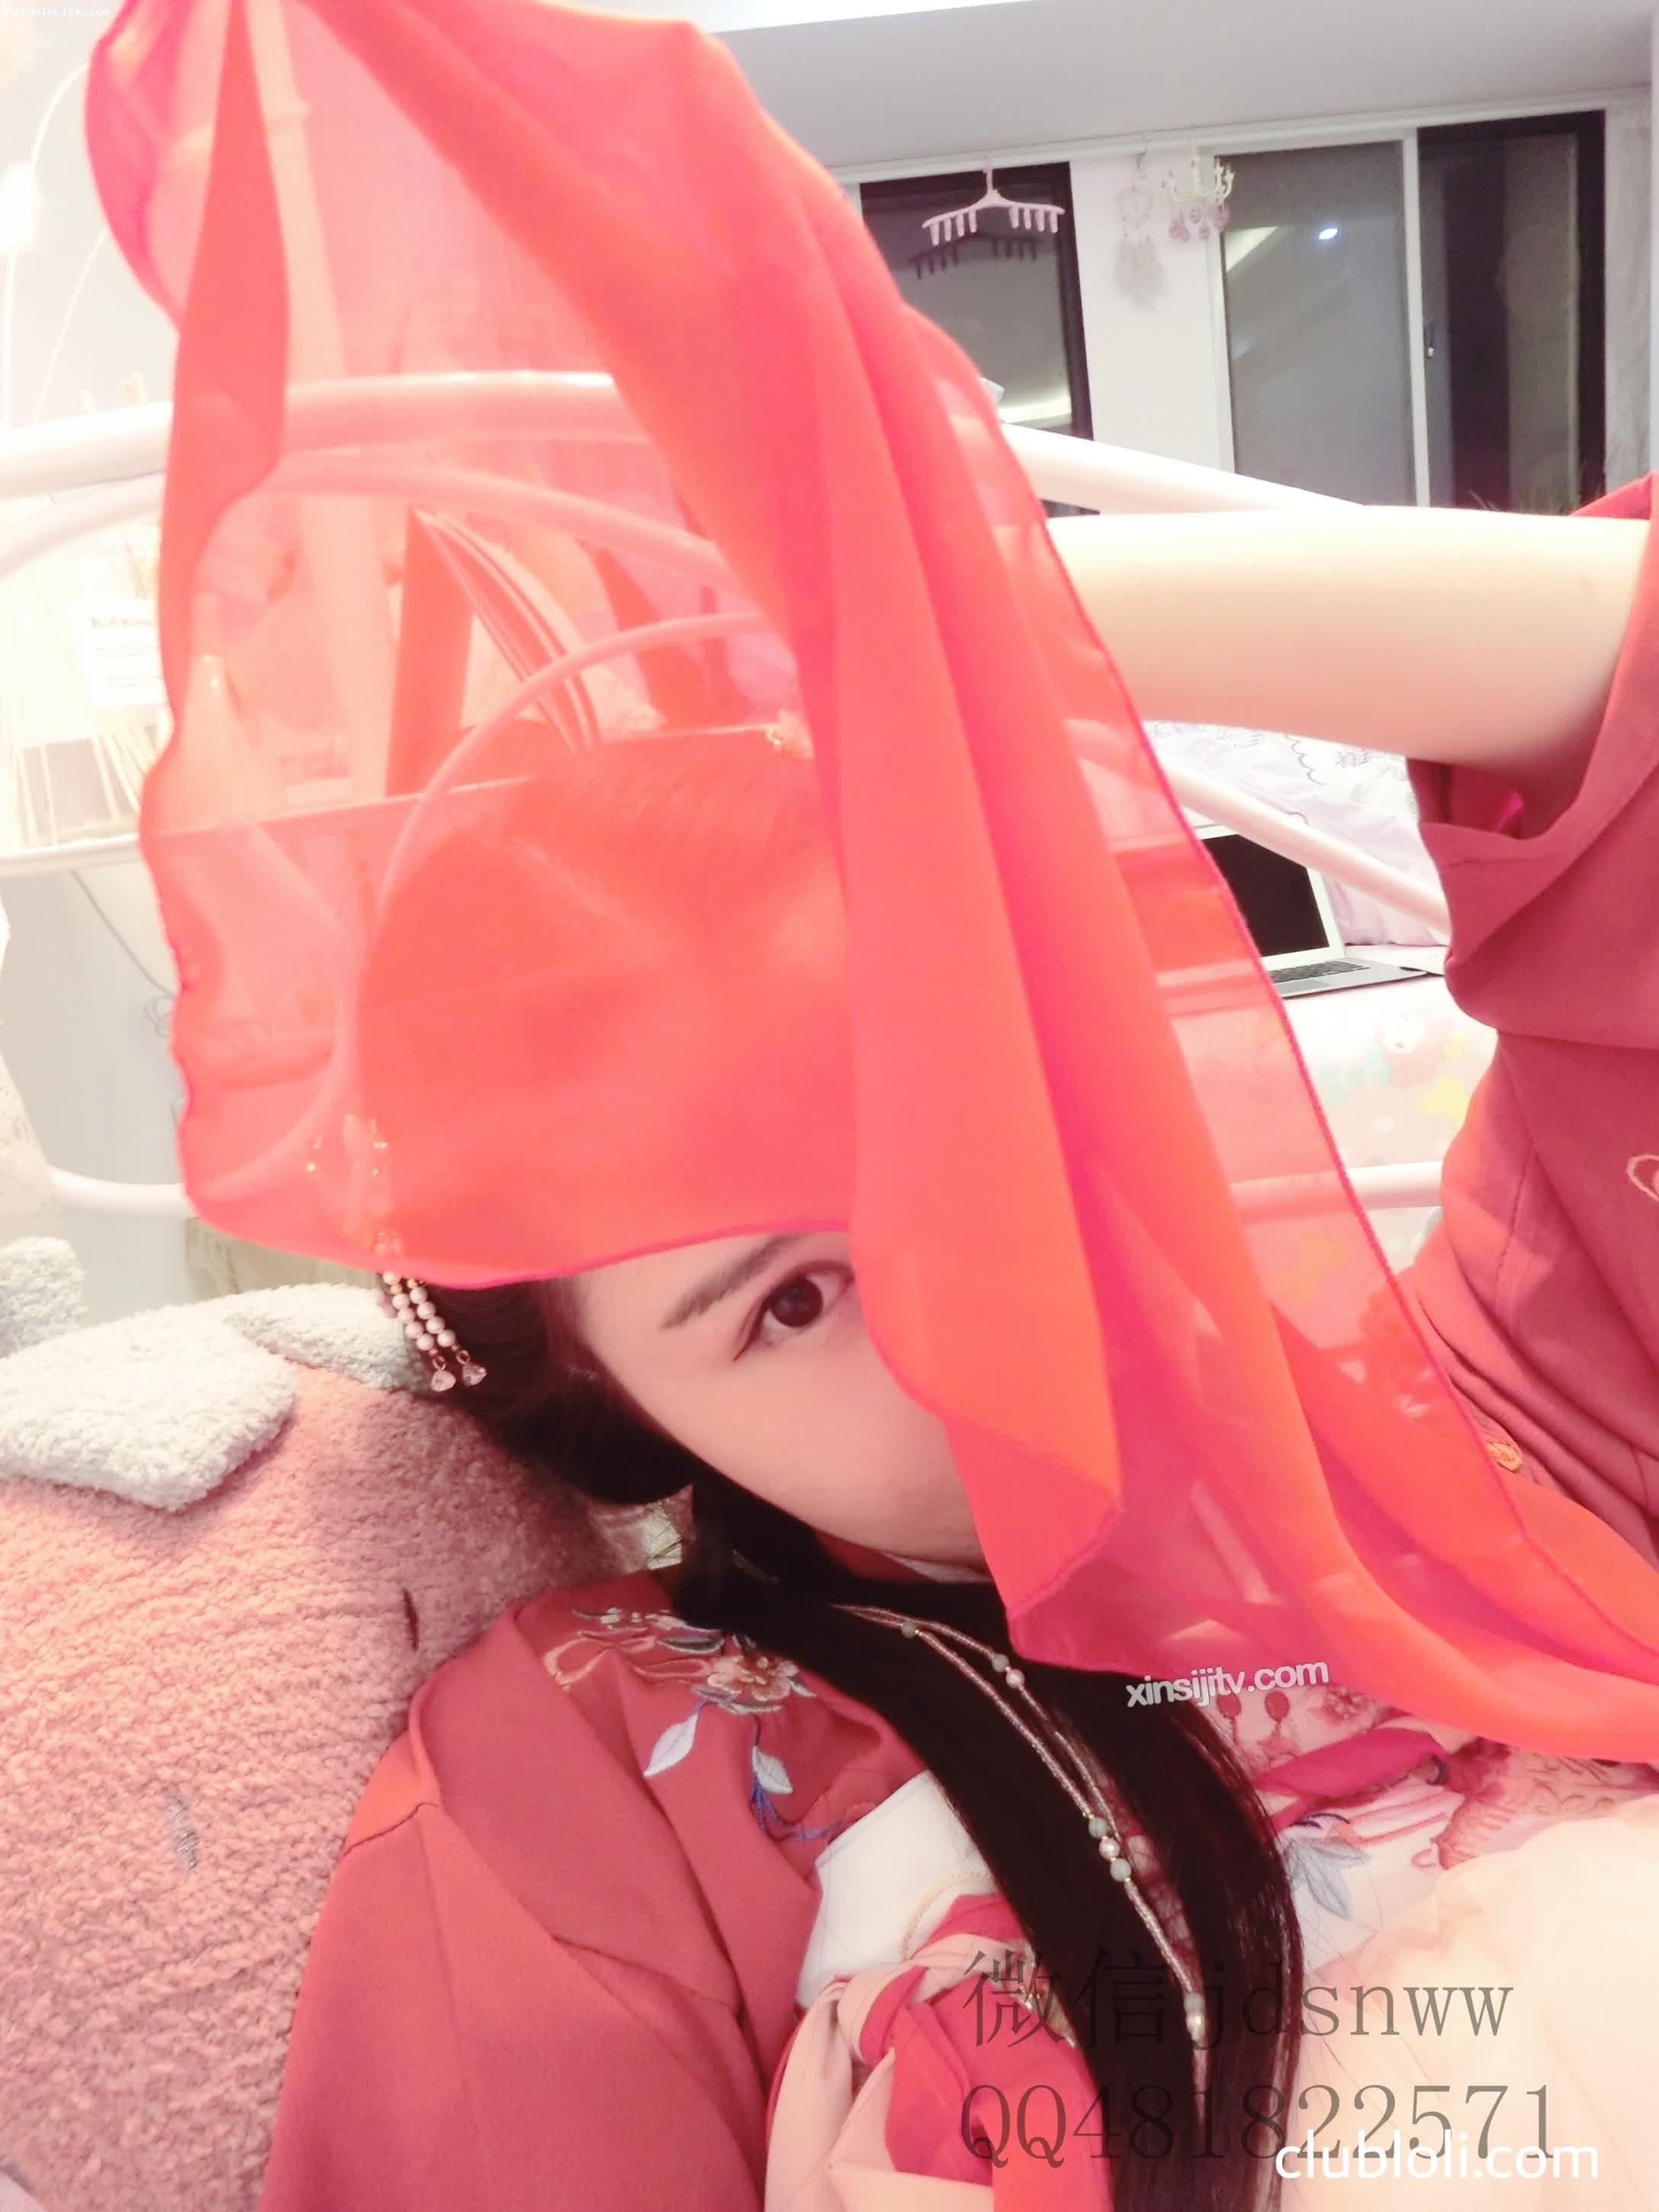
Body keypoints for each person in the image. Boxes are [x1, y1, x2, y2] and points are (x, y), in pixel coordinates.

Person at [252, 480, 1659, 2212]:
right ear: (618, 1408)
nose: (964, 1295)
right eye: (788, 1300)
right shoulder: (599, 1762)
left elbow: (1627, 702)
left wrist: (943, 622)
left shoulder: (1499, 1412)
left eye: (967, 1141)